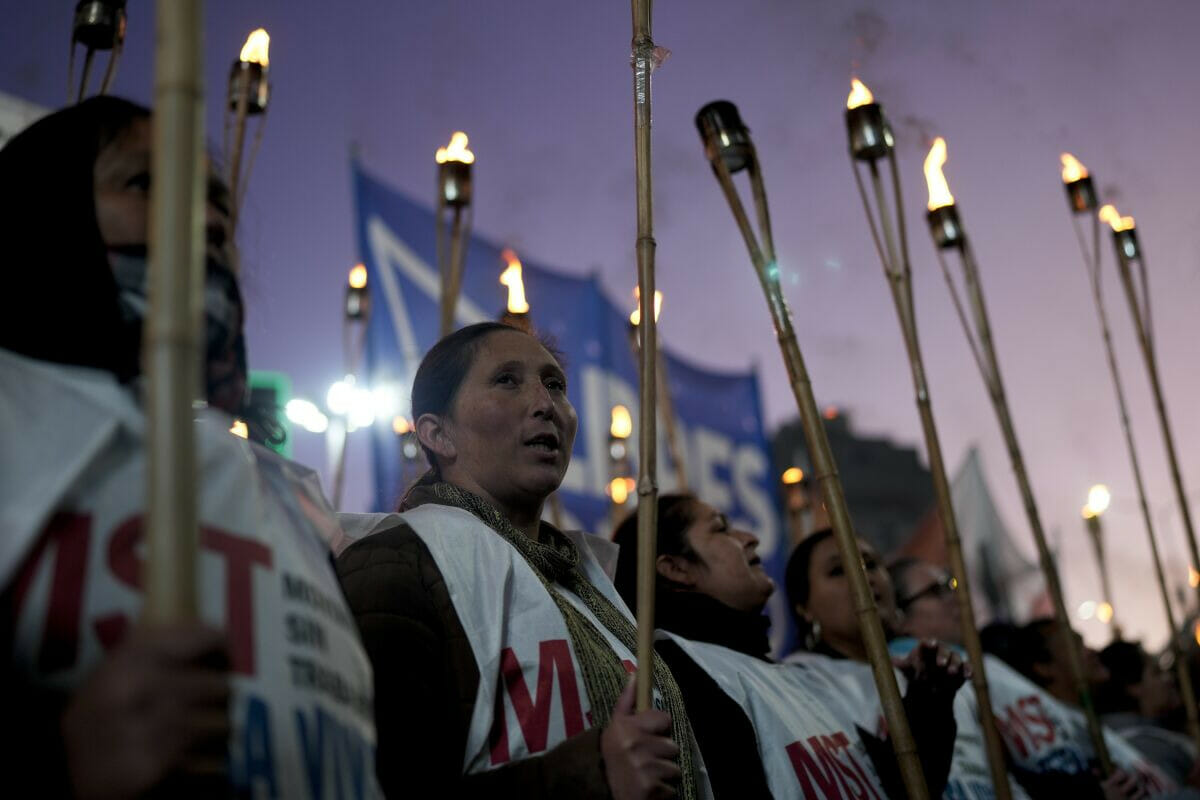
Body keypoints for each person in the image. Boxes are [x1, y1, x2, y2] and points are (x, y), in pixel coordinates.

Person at [0, 97, 380, 798]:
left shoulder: (286, 498)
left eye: (218, 206)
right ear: (40, 212)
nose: (205, 222)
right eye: (146, 183)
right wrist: (57, 760)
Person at [335, 322, 706, 799]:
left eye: (555, 385)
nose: (545, 403)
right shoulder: (394, 563)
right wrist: (593, 774)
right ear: (438, 434)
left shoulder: (596, 589)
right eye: (507, 380)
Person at [613, 495, 972, 799]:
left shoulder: (785, 676)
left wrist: (930, 701)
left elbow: (896, 786)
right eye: (721, 529)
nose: (750, 538)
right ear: (676, 568)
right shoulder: (677, 675)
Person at [892, 558, 1181, 798]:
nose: (954, 597)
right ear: (898, 615)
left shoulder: (983, 666)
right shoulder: (906, 678)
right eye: (937, 590)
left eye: (951, 584)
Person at [780, 527, 967, 797]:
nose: (864, 576)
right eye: (838, 570)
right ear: (804, 608)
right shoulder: (798, 682)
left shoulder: (926, 663)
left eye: (870, 564)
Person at [1097, 641, 1197, 788]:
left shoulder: (1158, 731)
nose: (1169, 678)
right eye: (1157, 673)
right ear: (1133, 687)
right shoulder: (1141, 746)